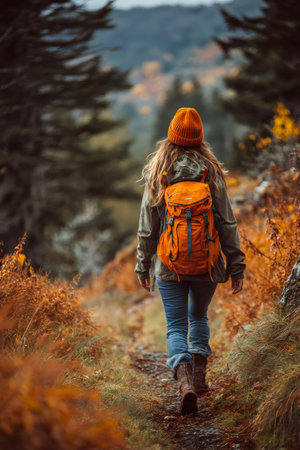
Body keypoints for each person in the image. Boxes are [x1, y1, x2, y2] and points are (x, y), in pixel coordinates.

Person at [135, 107, 246, 415]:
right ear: (199, 139)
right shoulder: (210, 173)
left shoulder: (160, 174)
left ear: (171, 137)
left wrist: (142, 266)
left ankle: (184, 381)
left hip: (169, 266)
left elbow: (147, 229)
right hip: (208, 264)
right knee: (198, 317)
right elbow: (227, 223)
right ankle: (199, 376)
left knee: (175, 326)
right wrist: (236, 266)